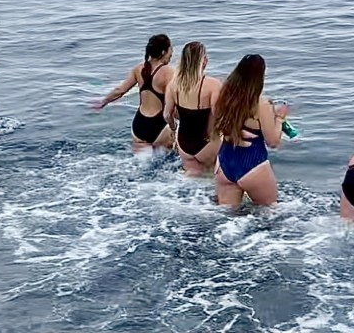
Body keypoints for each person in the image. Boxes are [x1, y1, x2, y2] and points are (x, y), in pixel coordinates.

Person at [211, 54, 289, 207]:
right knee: (271, 214)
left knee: (227, 216)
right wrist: (279, 118)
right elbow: (272, 142)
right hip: (253, 165)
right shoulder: (261, 105)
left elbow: (217, 123)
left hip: (224, 163)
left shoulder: (224, 96)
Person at [93, 34, 175, 151]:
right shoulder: (168, 72)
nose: (172, 53)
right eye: (171, 49)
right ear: (163, 52)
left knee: (141, 163)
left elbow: (120, 90)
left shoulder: (138, 69)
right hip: (159, 125)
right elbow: (174, 100)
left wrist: (103, 102)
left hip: (139, 125)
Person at [163, 41, 223, 176]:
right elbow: (218, 115)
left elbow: (167, 115)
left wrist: (173, 129)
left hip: (184, 144)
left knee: (193, 177)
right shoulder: (213, 85)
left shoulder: (173, 85)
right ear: (204, 61)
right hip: (208, 143)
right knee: (215, 178)